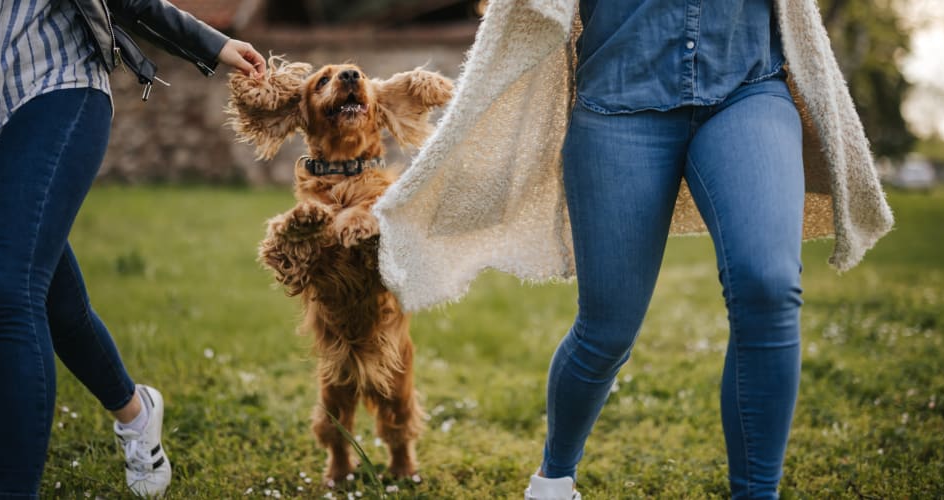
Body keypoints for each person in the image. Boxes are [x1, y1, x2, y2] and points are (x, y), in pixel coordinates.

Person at [372, 0, 893, 498]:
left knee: (768, 286)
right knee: (607, 330)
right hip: (617, 103)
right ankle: (553, 480)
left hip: (747, 87)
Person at [0, 0, 265, 497]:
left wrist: (213, 43)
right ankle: (135, 411)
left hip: (55, 85)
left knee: (7, 288)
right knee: (57, 305)